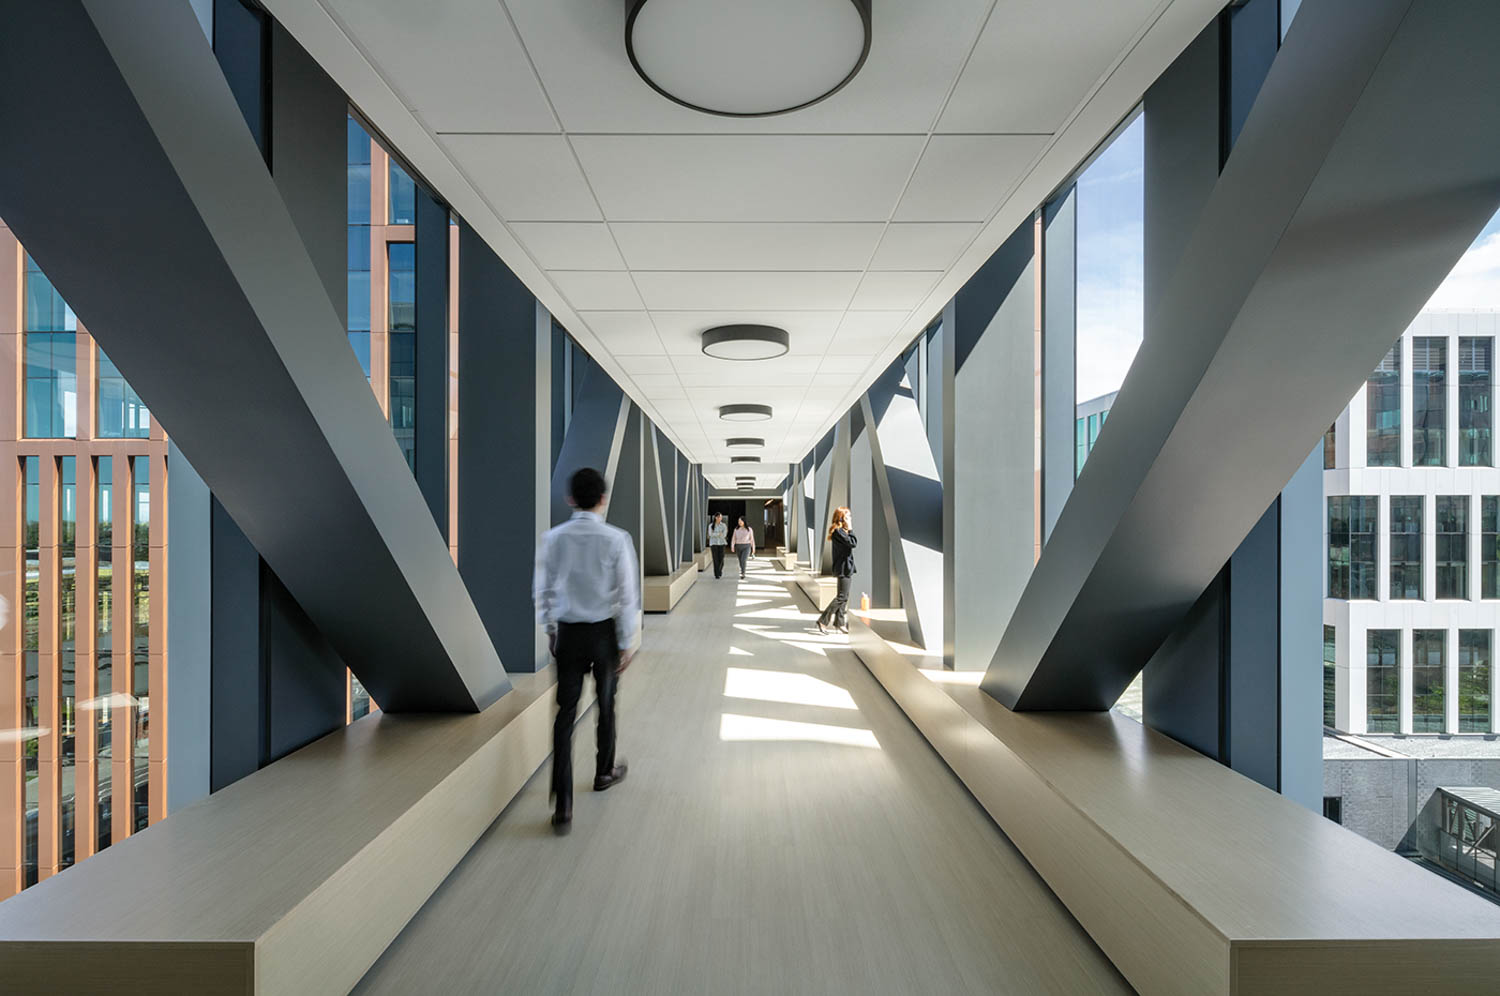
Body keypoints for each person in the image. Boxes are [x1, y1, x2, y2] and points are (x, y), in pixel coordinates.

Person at [533, 467, 639, 836]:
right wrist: (626, 641)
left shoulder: (553, 539)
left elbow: (543, 589)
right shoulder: (616, 539)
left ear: (570, 499)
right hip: (603, 634)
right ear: (603, 499)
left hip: (568, 633)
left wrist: (550, 629)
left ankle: (563, 805)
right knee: (606, 704)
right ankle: (603, 772)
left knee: (565, 715)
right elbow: (626, 595)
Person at [816, 507, 857, 635]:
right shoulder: (839, 532)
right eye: (847, 516)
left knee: (844, 597)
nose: (850, 518)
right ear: (841, 518)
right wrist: (850, 528)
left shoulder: (841, 531)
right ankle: (823, 620)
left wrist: (848, 529)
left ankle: (839, 623)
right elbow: (853, 543)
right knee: (841, 597)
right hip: (843, 567)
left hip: (846, 567)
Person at [708, 512, 728, 579]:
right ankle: (716, 573)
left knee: (721, 558)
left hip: (722, 543)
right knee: (715, 559)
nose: (720, 518)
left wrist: (716, 534)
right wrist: (719, 534)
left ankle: (719, 570)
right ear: (716, 517)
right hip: (714, 544)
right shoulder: (711, 526)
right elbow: (710, 534)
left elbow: (724, 534)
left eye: (721, 517)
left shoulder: (724, 525)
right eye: (719, 517)